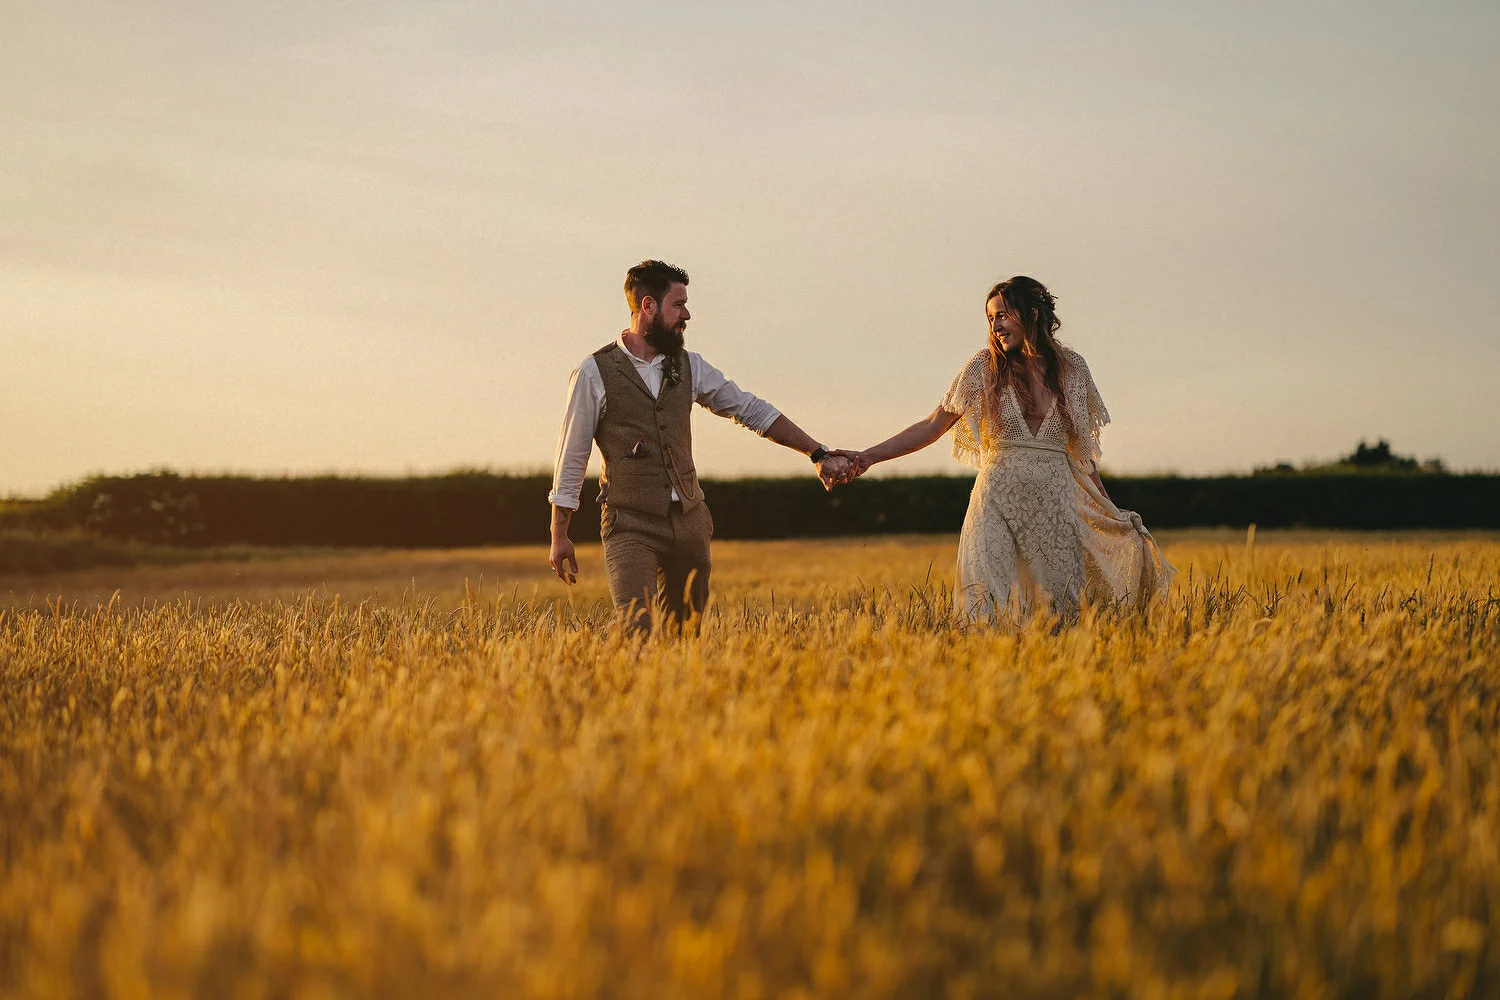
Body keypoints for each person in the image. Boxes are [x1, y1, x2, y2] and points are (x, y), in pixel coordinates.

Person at [837, 276, 1172, 623]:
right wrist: (868, 457)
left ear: (1032, 314)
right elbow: (933, 425)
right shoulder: (984, 366)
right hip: (994, 501)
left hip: (1054, 504)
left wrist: (1109, 509)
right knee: (985, 601)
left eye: (1002, 315)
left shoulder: (1074, 369)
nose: (995, 326)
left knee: (1060, 610)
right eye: (990, 318)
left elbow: (1084, 455)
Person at [548, 260, 851, 631]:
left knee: (685, 634)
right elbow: (572, 456)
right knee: (636, 628)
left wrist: (817, 453)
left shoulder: (690, 365)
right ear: (648, 306)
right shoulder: (593, 372)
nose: (686, 315)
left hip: (690, 523)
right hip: (629, 524)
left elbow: (751, 409)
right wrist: (559, 534)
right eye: (678, 305)